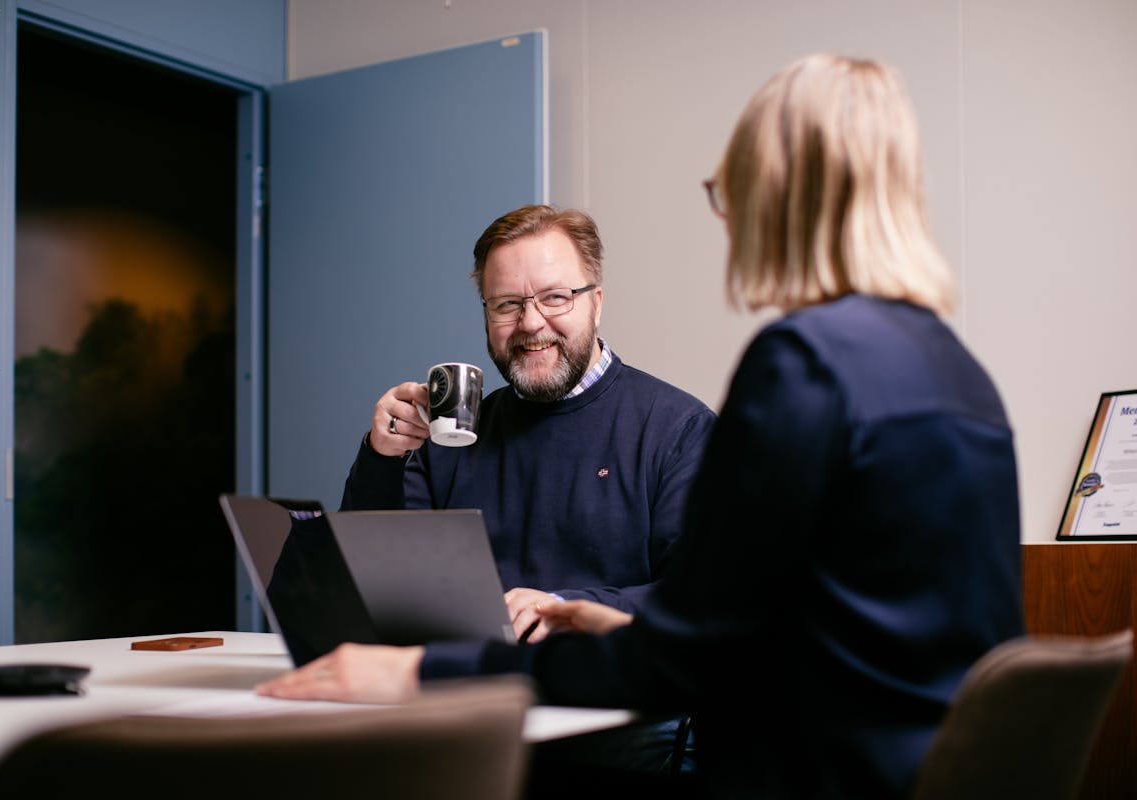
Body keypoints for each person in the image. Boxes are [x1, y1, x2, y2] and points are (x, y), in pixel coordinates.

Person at [259, 54, 1024, 799]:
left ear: (781, 196)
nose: (727, 221)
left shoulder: (802, 364)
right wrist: (611, 620)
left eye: (728, 192)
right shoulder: (955, 369)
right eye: (506, 305)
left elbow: (693, 659)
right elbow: (797, 623)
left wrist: (422, 674)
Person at [340, 204, 715, 645]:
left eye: (555, 297)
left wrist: (565, 610)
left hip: (616, 703)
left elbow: (703, 600)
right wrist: (382, 456)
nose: (531, 322)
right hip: (467, 693)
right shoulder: (449, 433)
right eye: (507, 304)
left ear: (596, 303)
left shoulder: (679, 431)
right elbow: (368, 588)